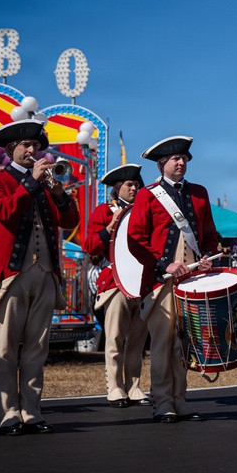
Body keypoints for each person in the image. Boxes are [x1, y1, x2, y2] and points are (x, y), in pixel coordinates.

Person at [0, 119, 80, 435]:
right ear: (11, 149)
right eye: (26, 145)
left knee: (37, 347)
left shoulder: (45, 182)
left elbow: (70, 220)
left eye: (36, 146)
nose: (33, 150)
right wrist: (32, 184)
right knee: (7, 347)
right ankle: (8, 412)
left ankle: (32, 411)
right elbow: (4, 211)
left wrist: (60, 193)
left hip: (46, 272)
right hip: (11, 274)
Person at [127, 136, 219, 423]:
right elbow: (135, 239)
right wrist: (165, 264)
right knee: (162, 344)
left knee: (185, 344)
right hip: (160, 283)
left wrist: (206, 256)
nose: (181, 163)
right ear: (161, 164)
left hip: (193, 282)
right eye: (175, 159)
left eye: (185, 159)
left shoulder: (200, 193)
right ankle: (162, 401)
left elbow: (210, 236)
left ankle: (181, 400)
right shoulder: (147, 194)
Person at [83, 163, 151, 408]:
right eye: (129, 185)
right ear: (116, 188)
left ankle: (133, 386)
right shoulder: (104, 211)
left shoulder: (146, 211)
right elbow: (89, 245)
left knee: (137, 340)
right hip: (116, 282)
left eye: (137, 185)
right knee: (114, 338)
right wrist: (108, 230)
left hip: (142, 282)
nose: (135, 189)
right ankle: (115, 387)